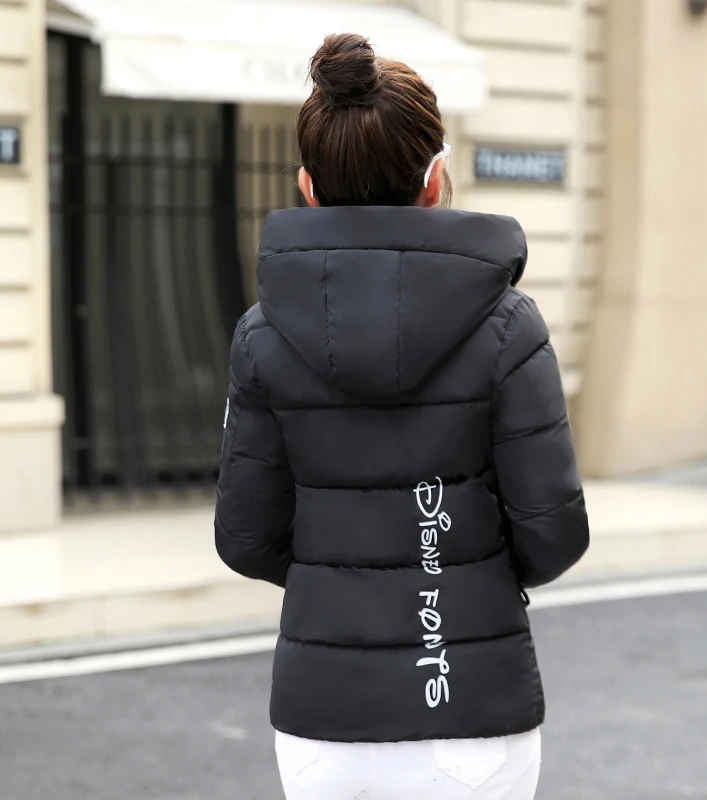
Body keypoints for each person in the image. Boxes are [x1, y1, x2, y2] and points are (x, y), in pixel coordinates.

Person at [215, 32, 590, 800]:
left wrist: (337, 572)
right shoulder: (507, 325)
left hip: (324, 718)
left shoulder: (262, 333)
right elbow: (554, 532)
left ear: (308, 186)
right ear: (434, 178)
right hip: (472, 702)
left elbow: (246, 538)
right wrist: (459, 569)